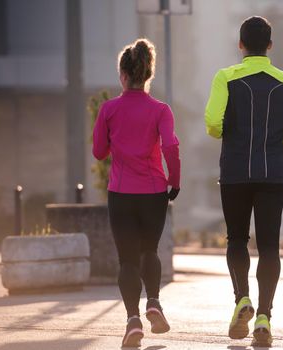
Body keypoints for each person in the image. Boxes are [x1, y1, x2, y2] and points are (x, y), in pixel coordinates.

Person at [204, 16, 283, 347]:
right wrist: (279, 137)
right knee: (269, 246)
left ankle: (242, 300)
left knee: (236, 239)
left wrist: (233, 135)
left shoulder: (226, 77)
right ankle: (264, 316)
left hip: (235, 171)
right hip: (272, 174)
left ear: (240, 45)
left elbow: (212, 123)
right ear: (270, 46)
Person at [92, 38, 180, 348]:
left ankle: (132, 321)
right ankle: (153, 302)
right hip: (154, 192)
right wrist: (175, 181)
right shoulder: (161, 110)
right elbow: (170, 145)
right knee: (149, 251)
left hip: (121, 193)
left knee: (127, 261)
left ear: (123, 75)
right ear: (148, 74)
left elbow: (99, 152)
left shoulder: (109, 109)